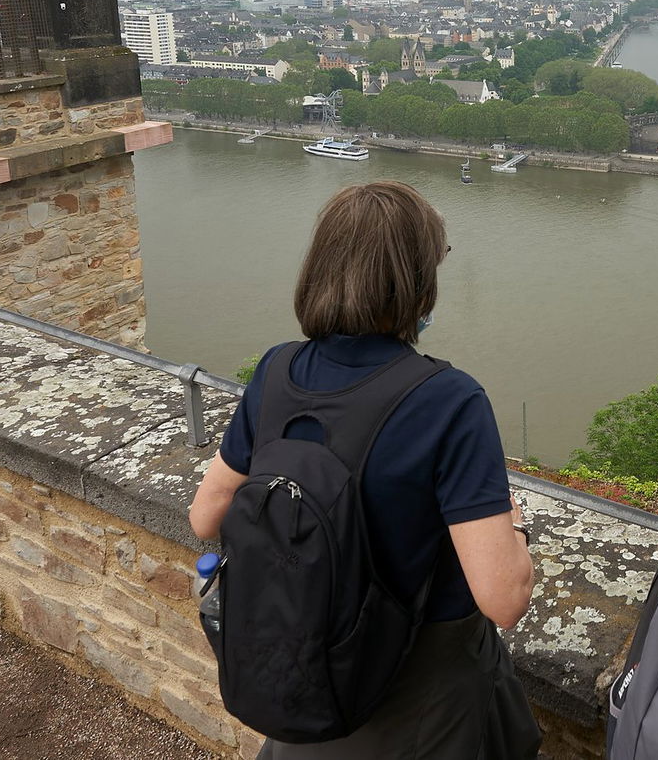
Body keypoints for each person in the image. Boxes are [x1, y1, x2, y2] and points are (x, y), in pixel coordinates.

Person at [189, 180, 539, 760]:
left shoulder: (277, 371)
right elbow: (504, 599)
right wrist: (515, 533)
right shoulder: (449, 399)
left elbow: (207, 517)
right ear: (417, 282)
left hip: (307, 677)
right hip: (418, 703)